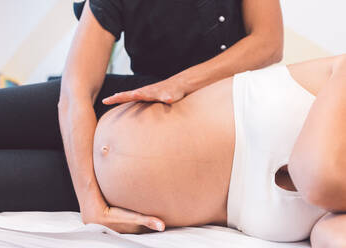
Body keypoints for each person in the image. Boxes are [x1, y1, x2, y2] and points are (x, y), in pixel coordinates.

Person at [0, 0, 283, 234]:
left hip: (186, 128)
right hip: (132, 103)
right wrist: (90, 205)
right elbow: (75, 92)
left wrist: (181, 83)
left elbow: (269, 42)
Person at [91, 54, 346, 247]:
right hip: (96, 115)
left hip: (114, 214)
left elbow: (331, 238)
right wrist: (87, 198)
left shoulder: (333, 210)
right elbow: (315, 180)